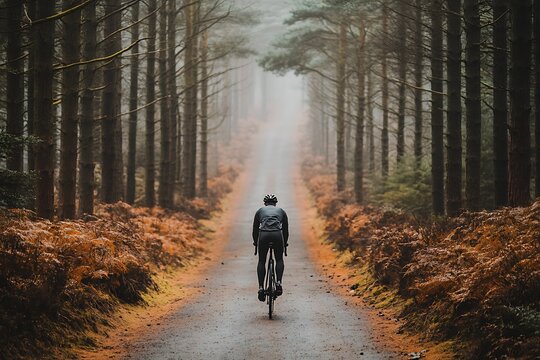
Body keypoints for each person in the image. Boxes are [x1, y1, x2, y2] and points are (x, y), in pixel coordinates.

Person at [252, 194, 289, 302]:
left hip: (263, 235)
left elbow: (255, 230)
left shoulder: (260, 211)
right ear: (275, 203)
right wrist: (285, 243)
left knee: (262, 261)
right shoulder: (281, 211)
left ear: (265, 203)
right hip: (277, 235)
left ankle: (261, 288)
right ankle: (278, 282)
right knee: (279, 259)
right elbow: (285, 230)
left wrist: (255, 242)